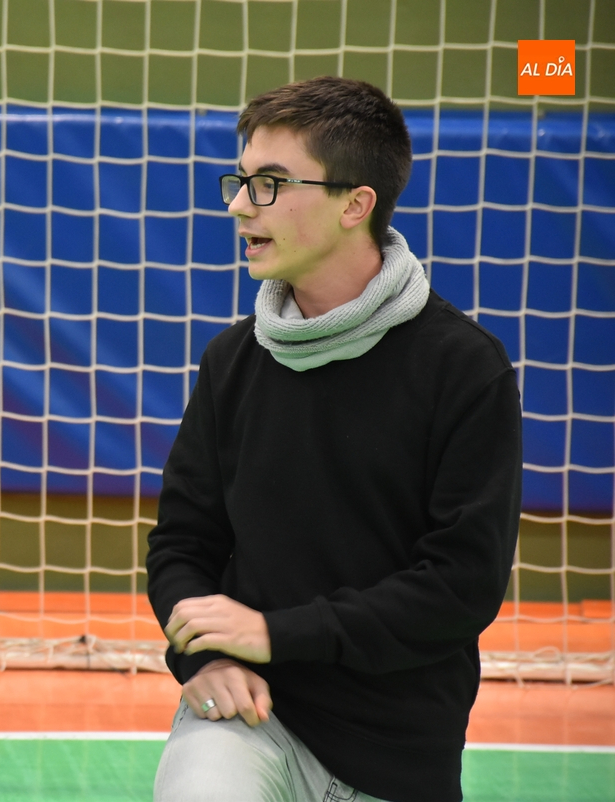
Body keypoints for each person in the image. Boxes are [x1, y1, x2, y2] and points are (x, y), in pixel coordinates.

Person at [146, 75, 521, 802]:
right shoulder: (233, 360)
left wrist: (277, 633)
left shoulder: (464, 367)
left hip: (400, 747)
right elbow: (182, 548)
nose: (236, 205)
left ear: (356, 203)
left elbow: (460, 587)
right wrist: (203, 663)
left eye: (271, 184)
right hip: (251, 716)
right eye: (241, 180)